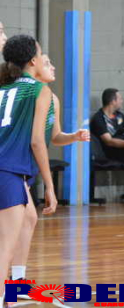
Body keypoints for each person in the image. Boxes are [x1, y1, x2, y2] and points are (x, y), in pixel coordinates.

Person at [7, 52, 89, 287]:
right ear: (33, 65)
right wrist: (49, 186)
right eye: (47, 62)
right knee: (24, 219)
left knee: (28, 218)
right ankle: (13, 282)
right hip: (11, 164)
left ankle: (17, 281)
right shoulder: (22, 93)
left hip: (22, 167)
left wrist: (73, 136)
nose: (52, 67)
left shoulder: (52, 99)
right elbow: (35, 140)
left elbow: (54, 137)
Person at [0, 36, 58, 298]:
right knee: (4, 248)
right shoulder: (39, 90)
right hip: (8, 172)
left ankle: (16, 288)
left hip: (8, 170)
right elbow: (37, 141)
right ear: (33, 60)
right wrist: (50, 184)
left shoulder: (2, 88)